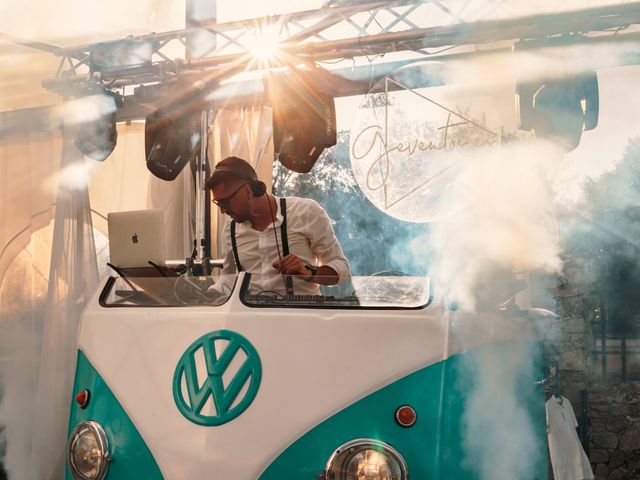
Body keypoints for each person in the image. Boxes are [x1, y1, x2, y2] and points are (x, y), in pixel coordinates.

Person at [205, 156, 350, 296]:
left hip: (303, 317)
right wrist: (208, 294)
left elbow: (342, 270)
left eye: (225, 202)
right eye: (218, 203)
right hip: (252, 318)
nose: (223, 210)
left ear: (248, 191)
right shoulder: (230, 228)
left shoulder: (306, 212)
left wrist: (309, 273)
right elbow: (228, 279)